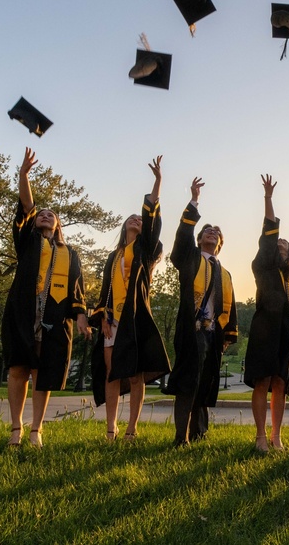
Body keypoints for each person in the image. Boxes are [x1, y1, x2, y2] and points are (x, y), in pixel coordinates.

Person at [0, 148, 91, 448]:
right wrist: (24, 175)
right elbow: (26, 205)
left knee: (44, 372)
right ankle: (16, 428)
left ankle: (37, 428)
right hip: (23, 310)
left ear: (58, 225)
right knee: (18, 369)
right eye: (41, 214)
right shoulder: (27, 241)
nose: (45, 215)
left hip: (54, 316)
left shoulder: (70, 253)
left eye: (51, 215)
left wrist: (81, 318)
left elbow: (78, 288)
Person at [91, 156, 169, 441]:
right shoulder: (113, 257)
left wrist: (157, 182)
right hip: (113, 319)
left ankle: (132, 429)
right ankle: (110, 429)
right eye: (132, 218)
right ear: (124, 226)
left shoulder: (147, 250)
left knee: (136, 375)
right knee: (112, 373)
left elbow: (151, 219)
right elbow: (104, 291)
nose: (137, 219)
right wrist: (101, 317)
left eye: (140, 218)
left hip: (135, 319)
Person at [164, 176, 238, 446]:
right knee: (187, 382)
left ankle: (199, 434)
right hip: (191, 328)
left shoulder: (225, 273)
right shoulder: (189, 258)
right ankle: (180, 437)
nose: (212, 233)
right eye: (207, 231)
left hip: (213, 334)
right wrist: (194, 201)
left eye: (216, 233)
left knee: (204, 383)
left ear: (220, 244)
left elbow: (231, 307)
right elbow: (183, 236)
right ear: (199, 240)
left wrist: (228, 335)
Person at [244, 174, 289, 452]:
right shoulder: (264, 266)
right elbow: (269, 233)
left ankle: (276, 436)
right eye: (277, 245)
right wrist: (268, 199)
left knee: (281, 384)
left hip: (288, 335)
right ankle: (260, 436)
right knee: (263, 381)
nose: (280, 246)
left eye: (285, 246)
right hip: (265, 331)